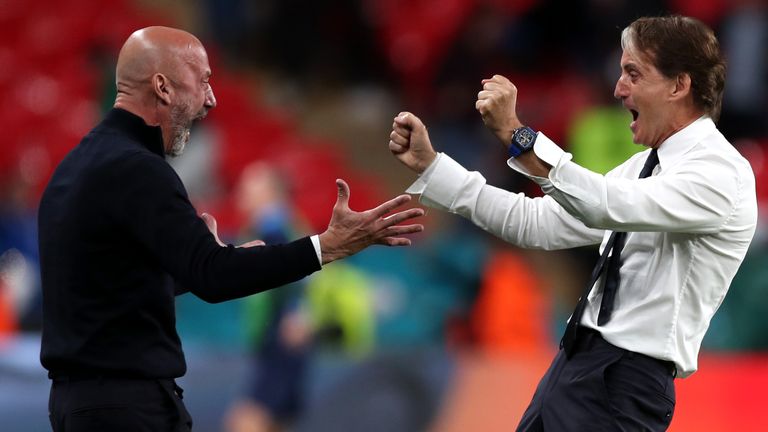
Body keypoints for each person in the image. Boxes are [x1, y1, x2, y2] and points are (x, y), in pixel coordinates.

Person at [39, 26, 425, 432]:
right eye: (203, 80)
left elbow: (109, 285)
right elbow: (214, 276)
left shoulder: (76, 168)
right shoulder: (139, 170)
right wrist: (326, 247)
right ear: (162, 86)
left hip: (79, 405)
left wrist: (200, 265)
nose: (211, 98)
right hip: (126, 409)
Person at [388, 15, 756, 431]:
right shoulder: (645, 168)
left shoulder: (721, 173)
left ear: (679, 85)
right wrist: (432, 167)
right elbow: (536, 222)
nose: (618, 89)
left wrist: (516, 133)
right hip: (573, 366)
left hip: (625, 382)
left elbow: (601, 204)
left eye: (633, 73)